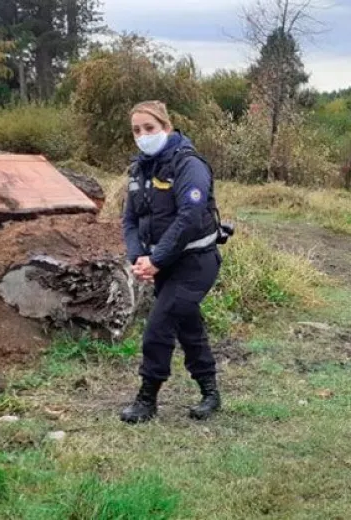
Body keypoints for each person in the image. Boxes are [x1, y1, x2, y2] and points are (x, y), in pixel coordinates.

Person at [120, 100, 225, 424]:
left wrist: (157, 259)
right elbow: (130, 220)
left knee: (158, 327)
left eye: (149, 128)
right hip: (163, 264)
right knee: (188, 326)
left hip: (196, 261)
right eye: (137, 130)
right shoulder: (139, 170)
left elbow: (190, 217)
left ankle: (146, 399)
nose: (143, 135)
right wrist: (139, 257)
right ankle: (210, 392)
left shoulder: (188, 164)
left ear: (166, 127)